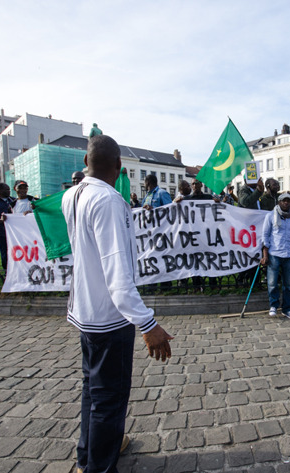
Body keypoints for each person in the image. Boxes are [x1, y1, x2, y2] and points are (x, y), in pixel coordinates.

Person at [62, 135, 173, 473]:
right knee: (109, 398)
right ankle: (99, 465)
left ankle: (91, 453)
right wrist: (148, 323)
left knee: (92, 390)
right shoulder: (109, 201)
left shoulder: (72, 194)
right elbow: (117, 272)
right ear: (120, 169)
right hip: (110, 316)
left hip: (86, 310)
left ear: (85, 162)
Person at [261, 193, 290, 320]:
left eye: (289, 201)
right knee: (272, 283)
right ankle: (273, 305)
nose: (286, 203)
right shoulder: (270, 216)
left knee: (288, 284)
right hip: (274, 254)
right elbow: (265, 236)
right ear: (279, 202)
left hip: (288, 254)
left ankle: (287, 309)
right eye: (284, 201)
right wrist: (265, 255)